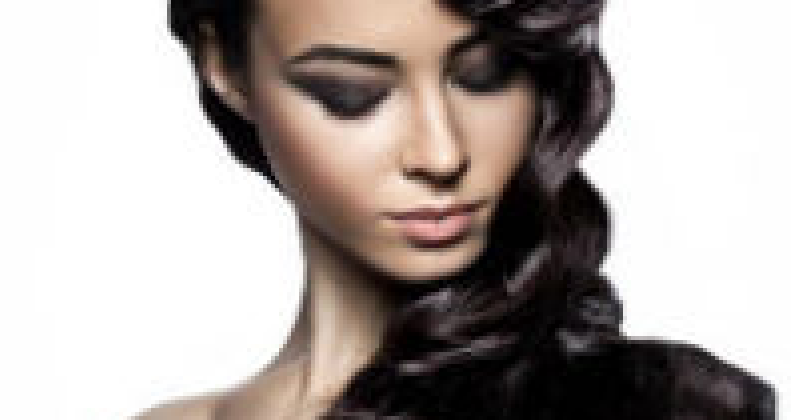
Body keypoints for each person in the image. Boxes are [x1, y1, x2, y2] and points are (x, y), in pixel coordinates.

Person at [136, 0, 776, 418]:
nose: (441, 155)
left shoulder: (664, 406)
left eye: (487, 75)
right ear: (225, 69)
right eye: (353, 93)